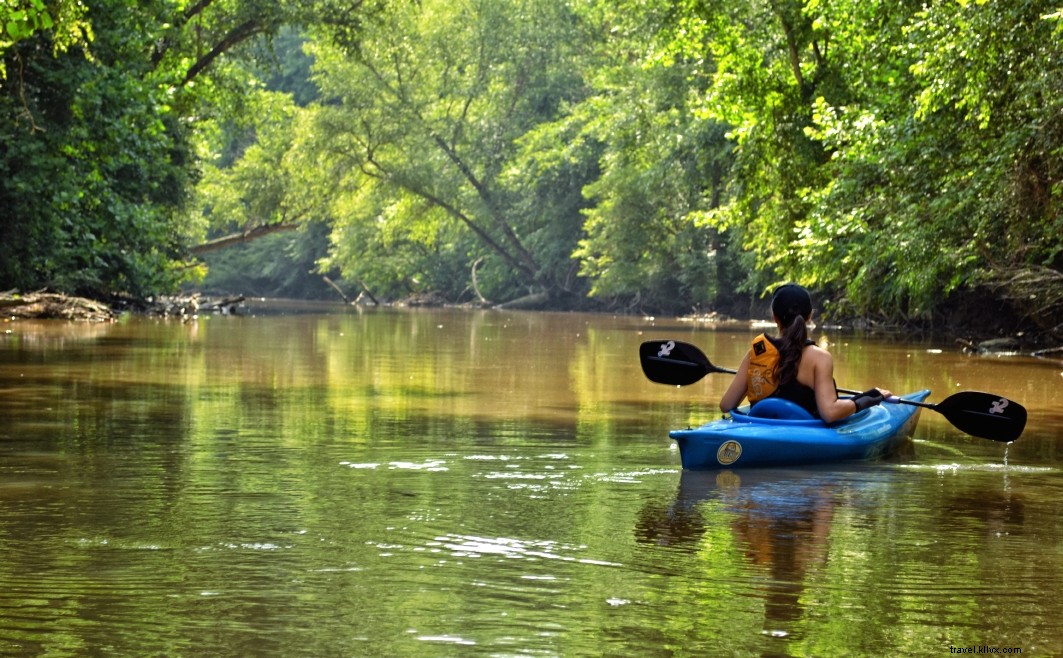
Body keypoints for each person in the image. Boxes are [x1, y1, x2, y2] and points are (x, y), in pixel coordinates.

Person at [719, 283, 891, 422]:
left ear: (775, 317)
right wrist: (867, 399)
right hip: (805, 433)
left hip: (761, 424)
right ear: (809, 316)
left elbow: (727, 405)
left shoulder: (756, 353)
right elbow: (830, 413)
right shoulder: (819, 358)